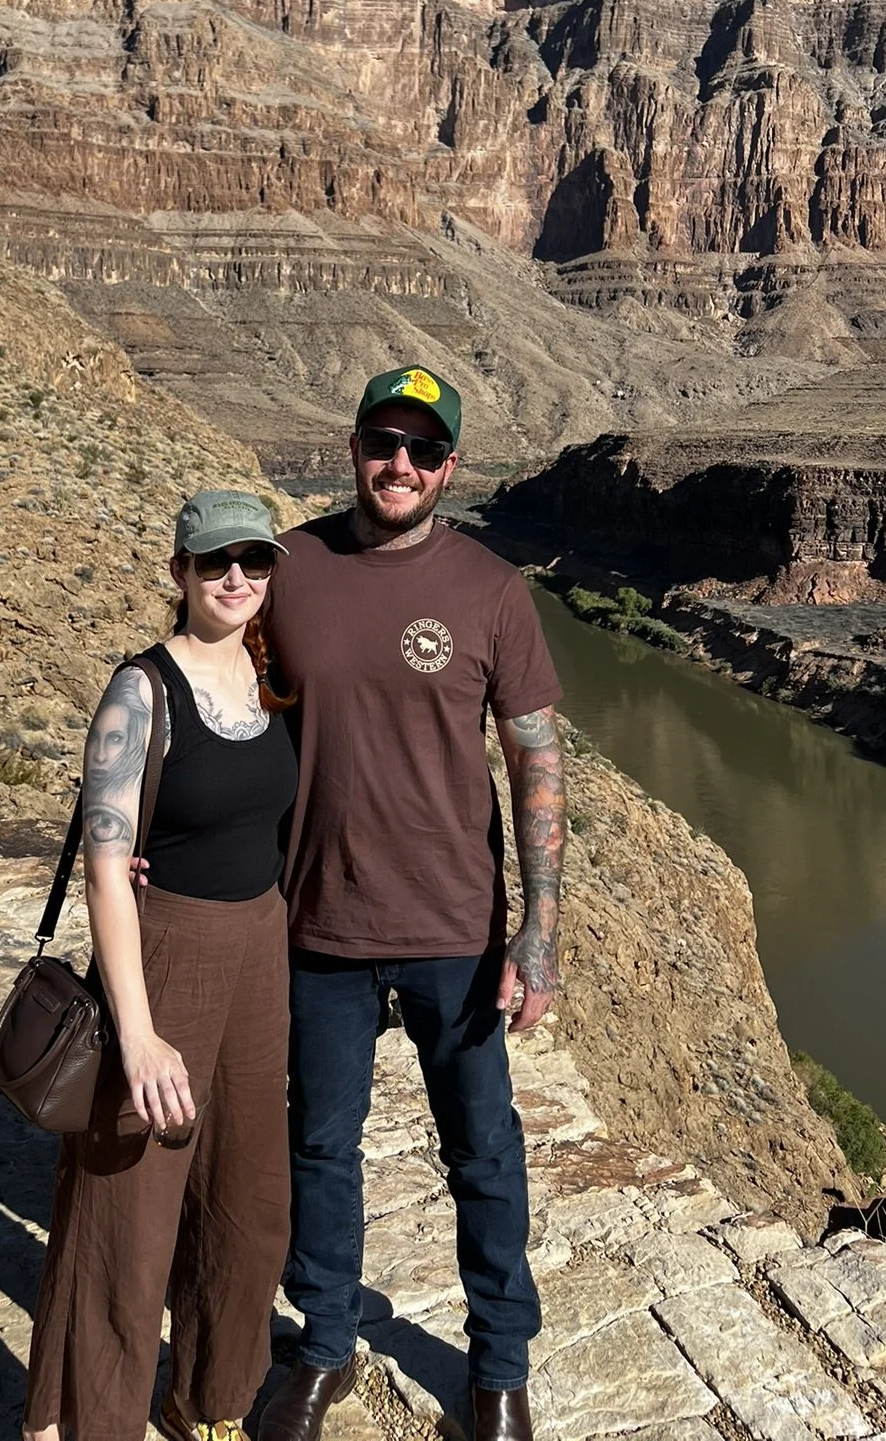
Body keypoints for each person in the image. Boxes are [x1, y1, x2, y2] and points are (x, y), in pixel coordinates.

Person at [261, 366, 566, 1441]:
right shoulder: (287, 567)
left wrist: (537, 927)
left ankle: (498, 1366)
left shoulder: (490, 586)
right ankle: (324, 1341)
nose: (401, 464)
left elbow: (536, 755)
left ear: (451, 468)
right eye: (384, 441)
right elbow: (222, 712)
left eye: (424, 450)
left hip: (454, 929)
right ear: (352, 444)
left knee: (482, 1148)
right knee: (320, 1146)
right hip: (317, 921)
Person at [25, 490, 300, 1441]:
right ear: (179, 572)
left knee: (252, 1203)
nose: (236, 579)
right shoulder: (142, 688)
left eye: (254, 563)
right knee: (127, 1213)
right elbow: (107, 865)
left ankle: (211, 1403)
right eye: (216, 561)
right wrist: (137, 1038)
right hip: (168, 952)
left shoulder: (276, 685)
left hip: (262, 955)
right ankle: (87, 1420)